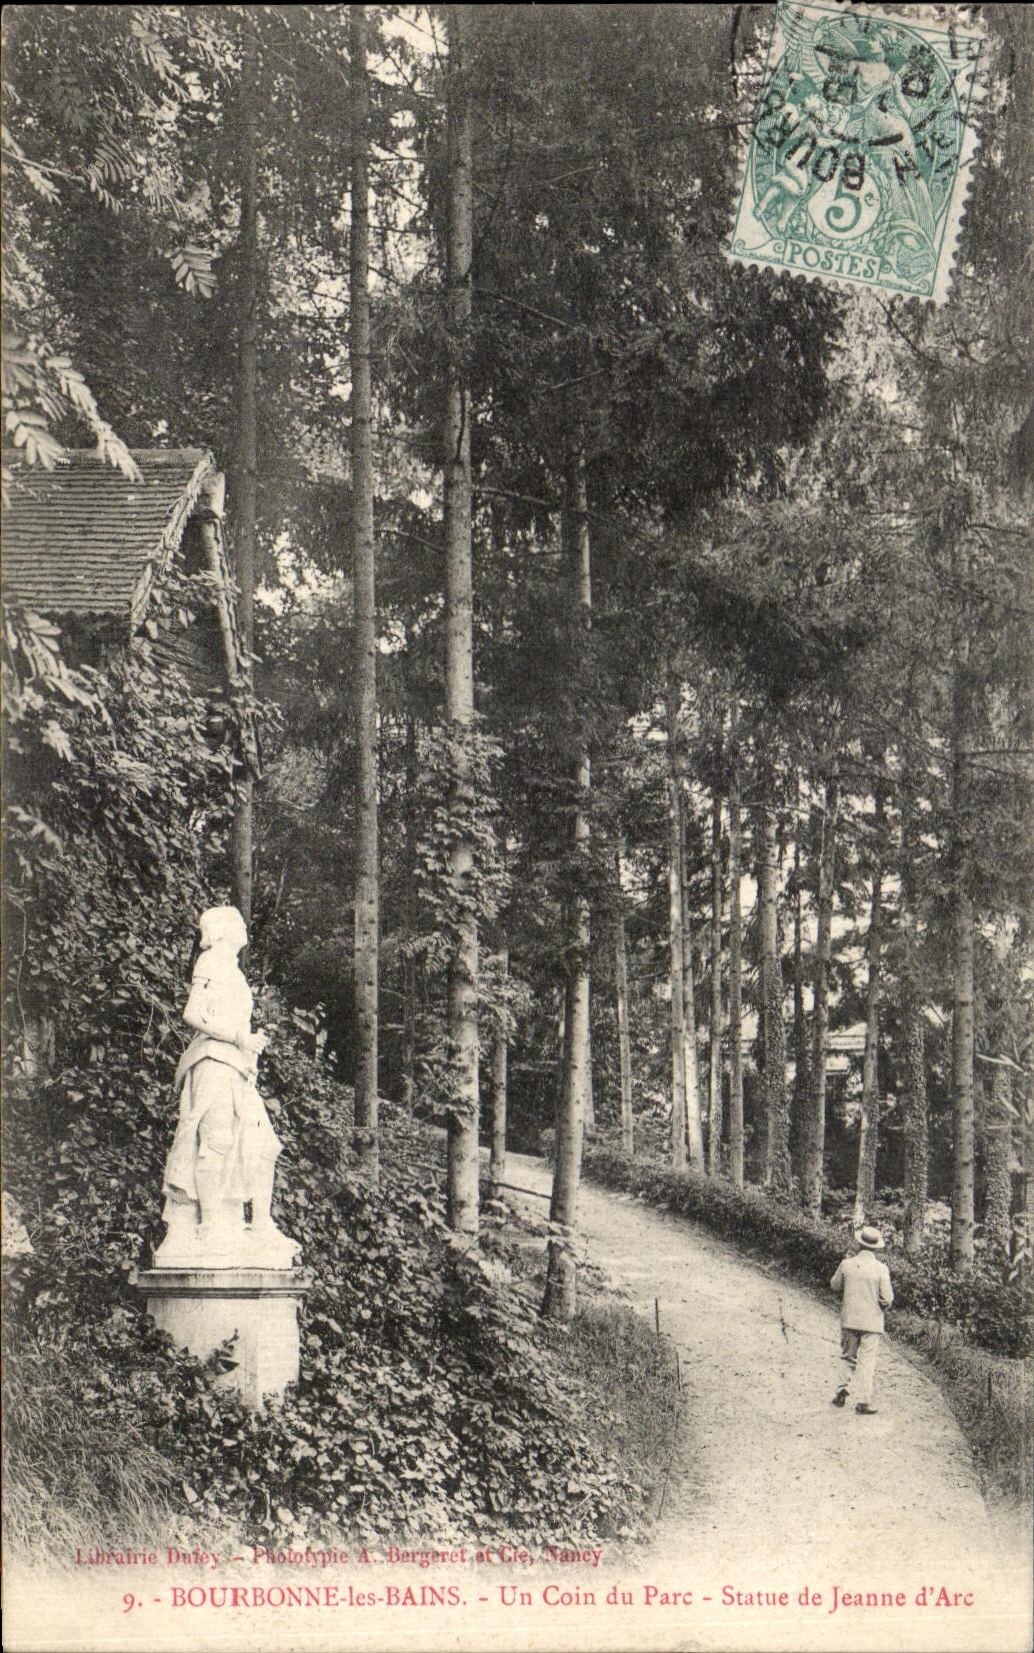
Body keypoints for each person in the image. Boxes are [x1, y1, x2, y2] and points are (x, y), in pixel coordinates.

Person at [154, 905, 298, 1268]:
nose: (244, 924)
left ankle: (261, 1223)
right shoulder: (212, 960)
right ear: (219, 931)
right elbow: (192, 1013)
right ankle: (211, 1226)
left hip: (234, 1066)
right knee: (215, 1143)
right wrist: (239, 1036)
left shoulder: (228, 967)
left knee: (263, 1146)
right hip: (214, 1063)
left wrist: (247, 1041)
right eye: (236, 921)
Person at [830, 1224, 893, 1415]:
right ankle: (863, 1401)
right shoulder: (881, 1269)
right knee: (867, 1361)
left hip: (850, 1318)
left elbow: (834, 1286)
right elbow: (888, 1298)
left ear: (859, 1244)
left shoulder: (847, 1263)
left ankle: (841, 1389)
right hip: (872, 1322)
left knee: (847, 1356)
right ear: (875, 1247)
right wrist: (883, 1305)